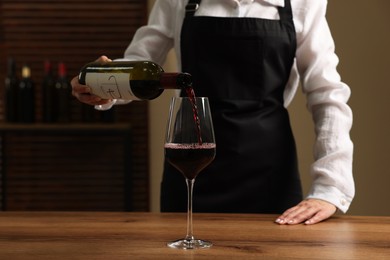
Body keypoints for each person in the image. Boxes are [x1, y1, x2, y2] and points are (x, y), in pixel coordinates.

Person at [71, 0, 354, 225]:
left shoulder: (303, 2)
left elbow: (327, 94)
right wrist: (102, 86)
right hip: (189, 168)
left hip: (270, 174)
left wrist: (330, 188)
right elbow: (138, 67)